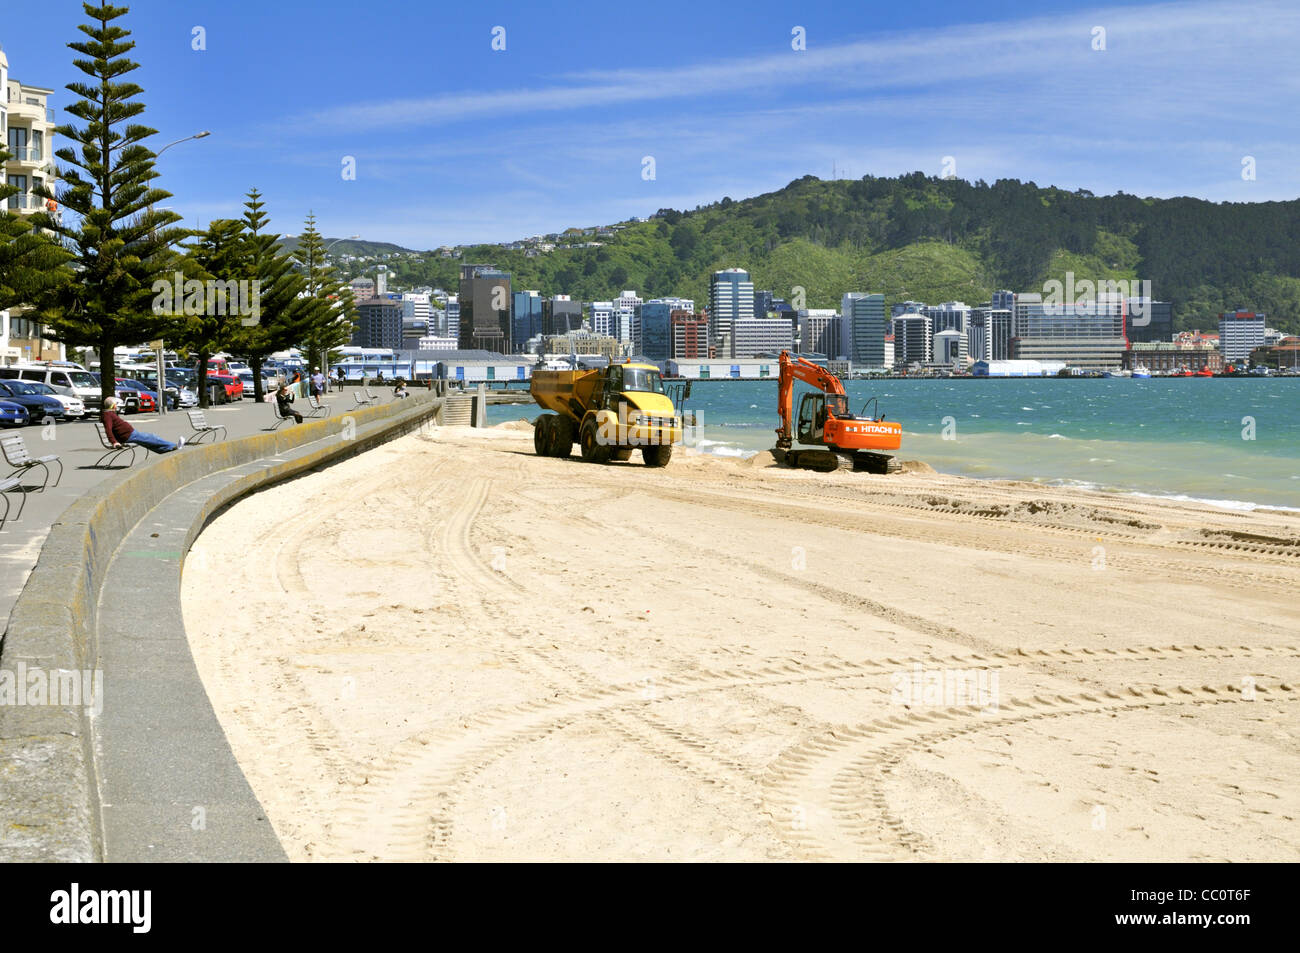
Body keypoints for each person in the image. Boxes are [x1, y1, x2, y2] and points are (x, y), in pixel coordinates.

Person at [102, 397, 184, 453]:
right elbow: (108, 429)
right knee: (152, 437)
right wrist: (114, 442)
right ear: (113, 405)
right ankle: (174, 446)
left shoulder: (110, 414)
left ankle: (169, 450)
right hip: (128, 435)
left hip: (129, 434)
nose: (117, 405)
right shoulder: (108, 415)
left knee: (148, 443)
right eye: (116, 404)